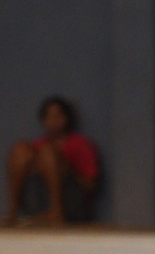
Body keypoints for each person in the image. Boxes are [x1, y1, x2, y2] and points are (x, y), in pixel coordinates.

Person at [6, 96, 100, 226]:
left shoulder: (80, 144)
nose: (53, 120)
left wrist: (65, 170)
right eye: (49, 116)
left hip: (71, 203)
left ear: (66, 118)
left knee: (47, 153)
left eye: (58, 115)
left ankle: (56, 212)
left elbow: (91, 186)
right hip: (38, 200)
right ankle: (13, 212)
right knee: (20, 149)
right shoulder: (38, 144)